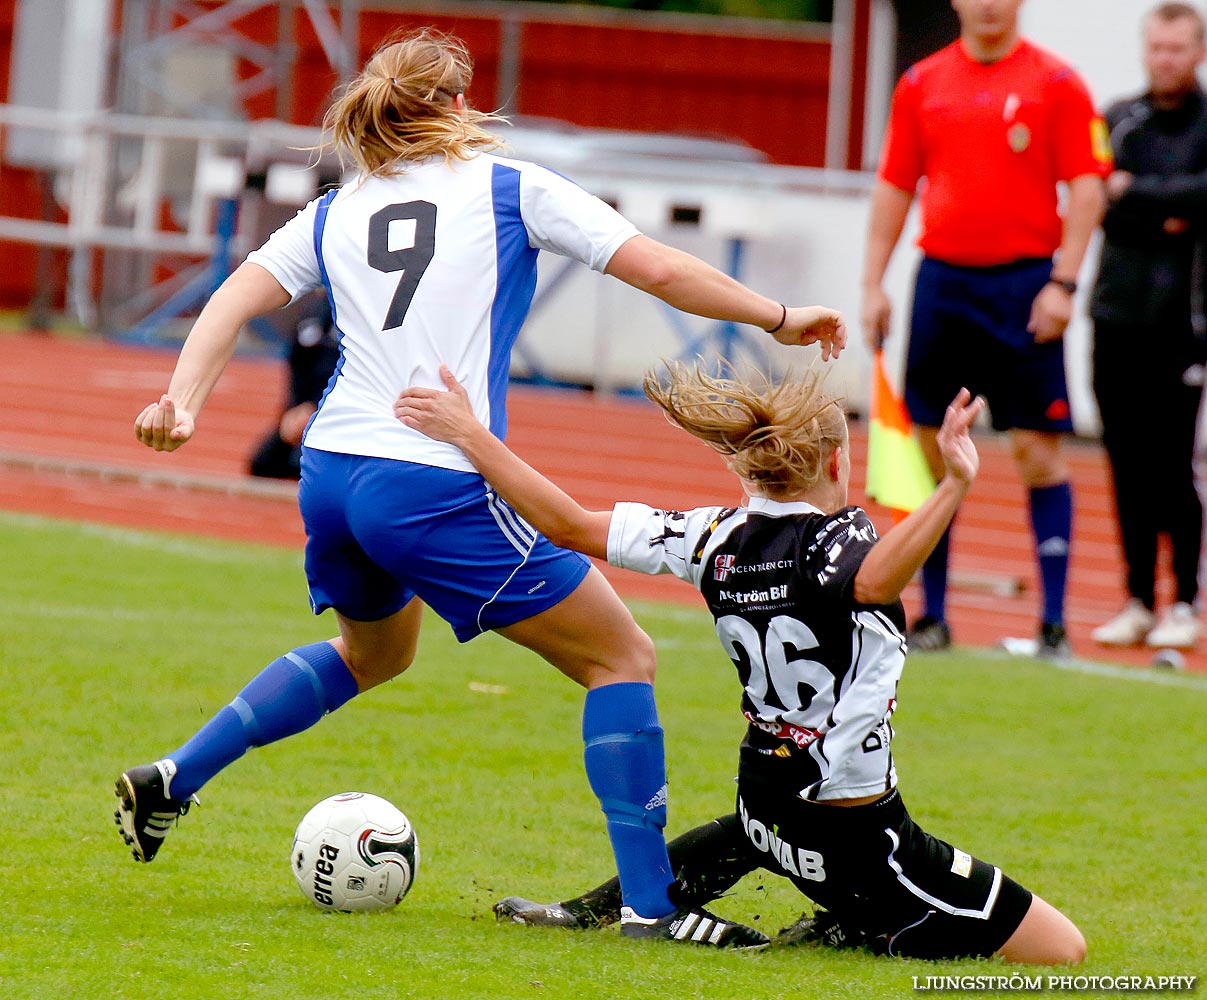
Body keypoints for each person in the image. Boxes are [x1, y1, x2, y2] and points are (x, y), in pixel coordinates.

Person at [114, 28, 846, 950]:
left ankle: (175, 776)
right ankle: (652, 906)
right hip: (430, 479)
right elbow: (656, 267)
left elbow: (233, 299)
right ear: (460, 106)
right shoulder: (509, 185)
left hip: (334, 474)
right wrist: (778, 317)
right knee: (620, 657)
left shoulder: (341, 205)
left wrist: (181, 400)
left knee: (372, 656)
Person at [394, 362, 1086, 964]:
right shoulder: (839, 539)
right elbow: (871, 583)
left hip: (763, 809)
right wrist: (952, 485)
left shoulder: (710, 535)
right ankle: (867, 928)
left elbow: (568, 524)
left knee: (739, 838)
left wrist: (469, 434)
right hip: (854, 836)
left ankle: (588, 909)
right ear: (837, 462)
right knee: (1063, 948)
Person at [861, 0, 1111, 657]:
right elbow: (894, 185)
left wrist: (1062, 282)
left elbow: (1085, 187)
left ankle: (1052, 622)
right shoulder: (921, 82)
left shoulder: (1056, 83)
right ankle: (931, 615)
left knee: (1035, 449)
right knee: (928, 447)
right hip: (944, 284)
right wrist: (871, 282)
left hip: (1024, 286)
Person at [1089, 2, 1207, 651]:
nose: (1164, 58)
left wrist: (1140, 193)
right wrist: (1162, 202)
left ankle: (1183, 599)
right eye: (1155, 47)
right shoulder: (1116, 118)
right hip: (1114, 316)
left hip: (1182, 325)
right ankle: (1136, 596)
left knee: (1172, 464)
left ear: (1197, 52)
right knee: (1124, 461)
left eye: (1176, 48)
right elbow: (1099, 197)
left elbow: (1197, 197)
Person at [248, 293, 340, 480]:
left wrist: (317, 407)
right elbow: (298, 364)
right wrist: (294, 409)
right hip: (305, 407)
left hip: (337, 412)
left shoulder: (357, 317)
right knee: (264, 463)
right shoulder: (313, 313)